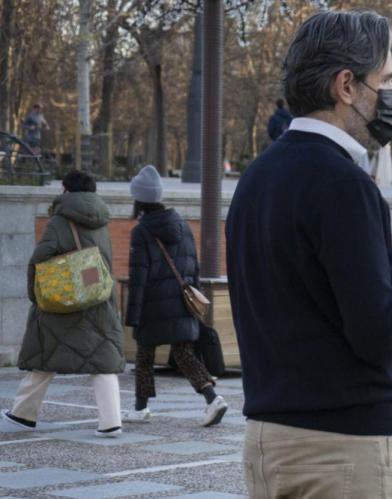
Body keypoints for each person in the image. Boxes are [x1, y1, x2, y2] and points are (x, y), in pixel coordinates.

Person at [227, 10, 392, 499]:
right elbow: (378, 335)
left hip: (266, 439)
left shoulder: (256, 178)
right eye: (386, 80)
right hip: (342, 449)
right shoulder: (345, 184)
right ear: (347, 85)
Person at [1, 170, 124, 437]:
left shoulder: (60, 220)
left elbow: (39, 259)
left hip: (63, 300)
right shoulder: (101, 220)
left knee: (44, 357)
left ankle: (22, 415)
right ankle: (111, 422)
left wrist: (36, 295)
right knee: (103, 359)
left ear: (66, 190)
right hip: (97, 297)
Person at [122, 165, 228, 426]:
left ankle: (140, 408)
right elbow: (194, 266)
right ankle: (212, 398)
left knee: (145, 355)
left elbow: (139, 276)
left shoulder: (141, 231)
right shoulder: (182, 225)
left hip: (153, 305)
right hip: (181, 302)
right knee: (184, 354)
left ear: (138, 199)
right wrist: (194, 301)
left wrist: (132, 316)